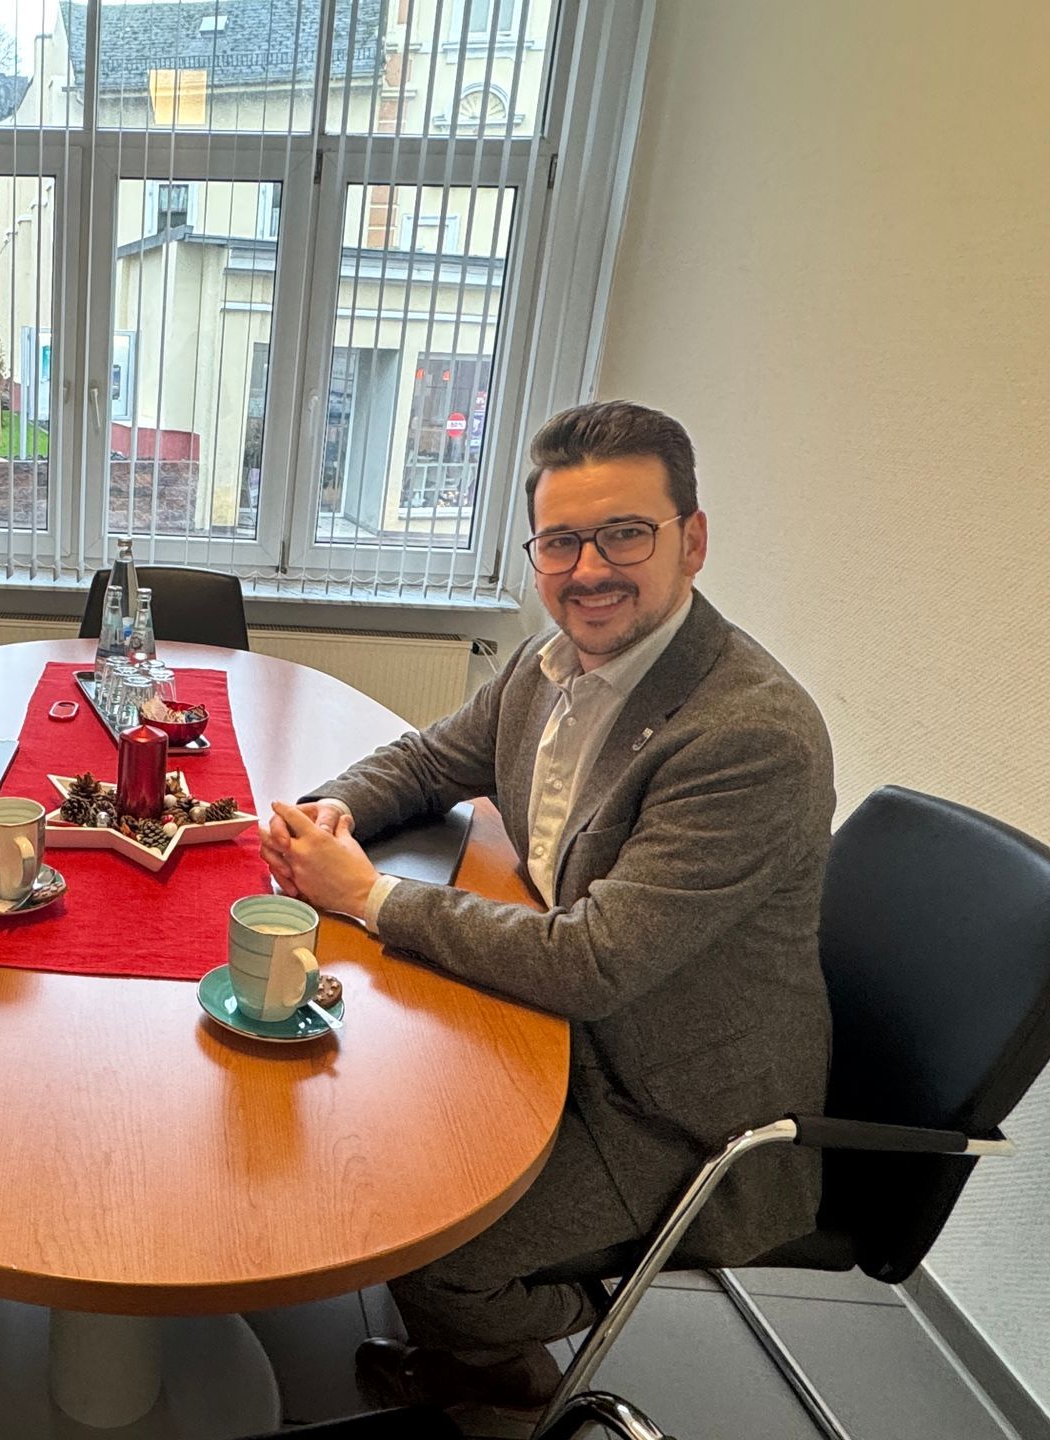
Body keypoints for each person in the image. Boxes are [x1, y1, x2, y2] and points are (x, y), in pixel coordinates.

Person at [262, 401, 834, 1430]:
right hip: (557, 1031)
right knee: (365, 1130)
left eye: (626, 534)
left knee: (421, 1234)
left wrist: (366, 895)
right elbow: (428, 760)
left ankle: (512, 1366)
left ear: (693, 540)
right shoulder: (548, 664)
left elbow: (592, 963)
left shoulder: (748, 736)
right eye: (561, 542)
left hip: (671, 1107)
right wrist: (330, 812)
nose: (589, 570)